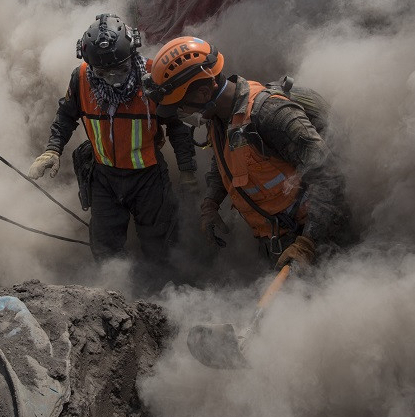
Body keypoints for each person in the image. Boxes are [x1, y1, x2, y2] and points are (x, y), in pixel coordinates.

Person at [142, 36, 352, 271]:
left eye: (181, 106)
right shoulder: (219, 120)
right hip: (280, 246)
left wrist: (307, 244)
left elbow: (330, 176)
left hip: (321, 246)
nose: (180, 113)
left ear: (202, 93)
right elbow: (223, 163)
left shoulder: (269, 113)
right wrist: (211, 203)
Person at [28, 14, 197, 271]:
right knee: (105, 249)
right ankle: (114, 295)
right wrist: (53, 149)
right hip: (104, 178)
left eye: (120, 70)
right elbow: (65, 116)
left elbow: (178, 127)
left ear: (132, 55)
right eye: (103, 72)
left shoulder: (155, 77)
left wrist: (187, 171)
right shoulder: (81, 79)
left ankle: (162, 295)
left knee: (160, 246)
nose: (112, 80)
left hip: (148, 179)